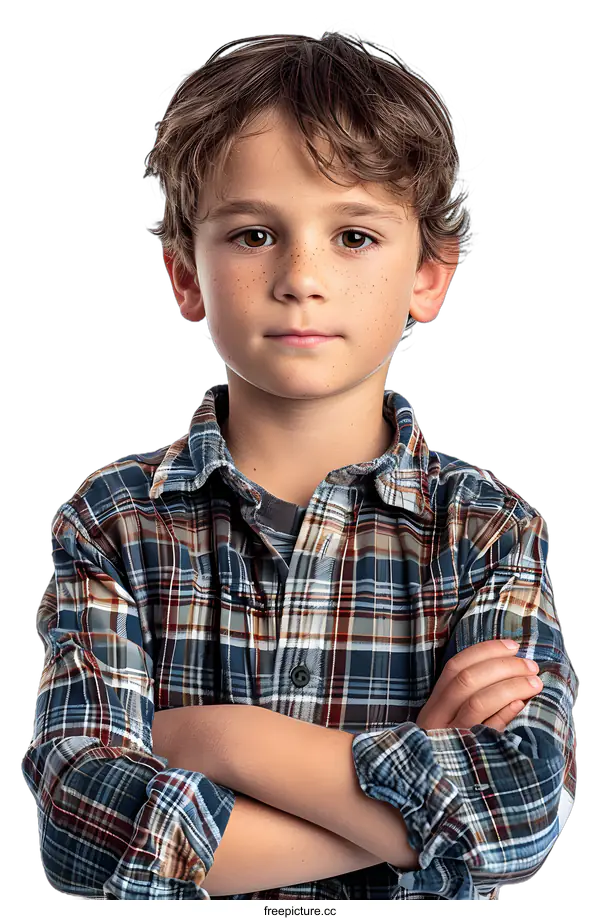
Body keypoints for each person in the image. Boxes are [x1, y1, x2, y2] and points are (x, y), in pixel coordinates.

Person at [20, 31, 578, 900]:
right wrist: (410, 783)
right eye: (253, 234)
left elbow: (518, 812)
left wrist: (220, 739)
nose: (301, 277)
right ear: (185, 275)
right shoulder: (112, 520)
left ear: (430, 277)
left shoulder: (488, 527)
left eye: (353, 234)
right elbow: (82, 830)